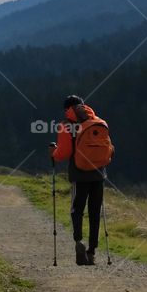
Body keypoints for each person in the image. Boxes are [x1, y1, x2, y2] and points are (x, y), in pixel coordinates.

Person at [49, 95, 108, 266]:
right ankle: (92, 251)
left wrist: (53, 153)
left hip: (79, 175)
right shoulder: (99, 122)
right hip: (98, 174)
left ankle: (78, 242)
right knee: (95, 212)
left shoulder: (66, 125)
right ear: (83, 105)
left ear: (66, 109)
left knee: (77, 210)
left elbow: (64, 153)